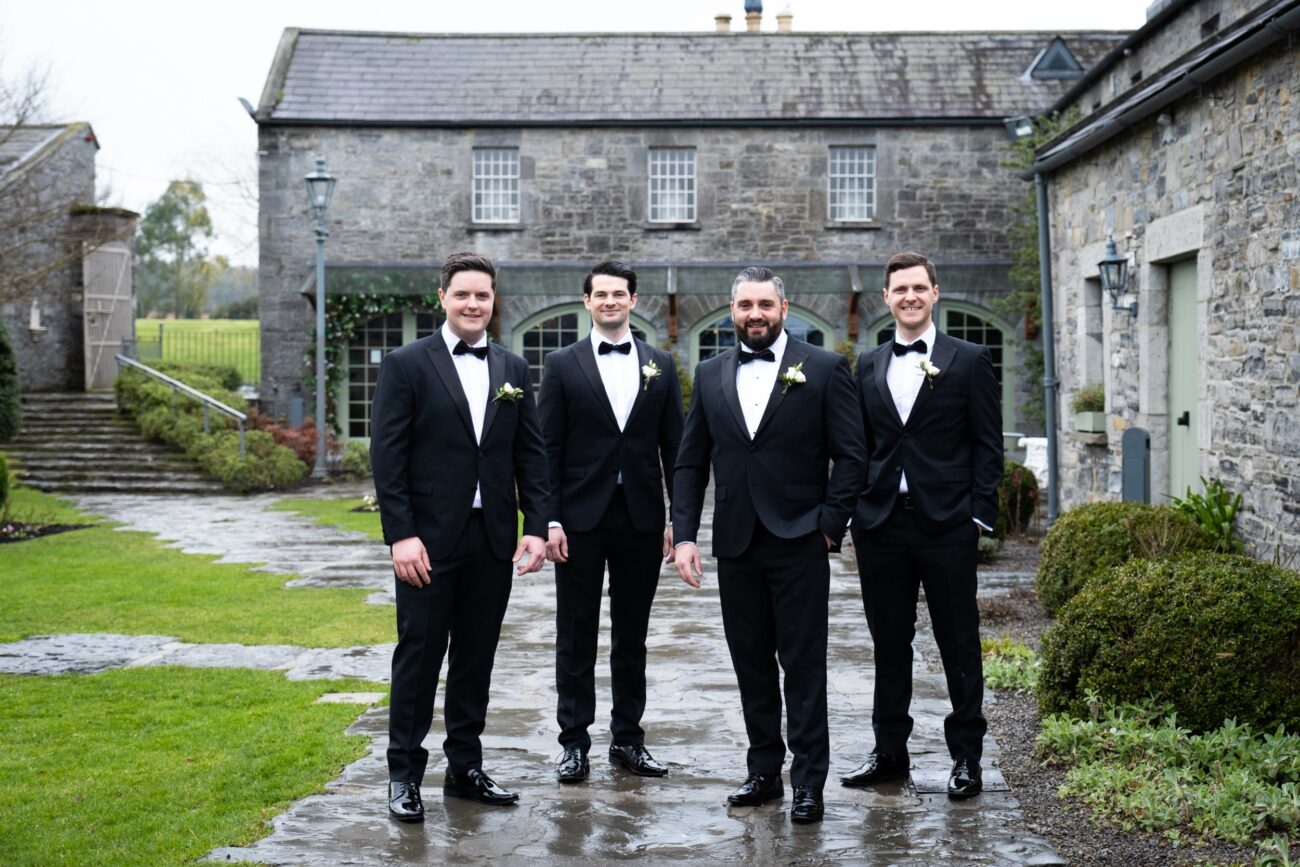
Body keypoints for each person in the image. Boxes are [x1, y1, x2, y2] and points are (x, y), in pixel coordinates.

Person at [671, 266, 866, 825]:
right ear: (732, 310)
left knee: (803, 664)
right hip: (735, 542)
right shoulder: (709, 374)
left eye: (764, 304)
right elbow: (690, 462)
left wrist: (830, 524)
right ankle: (763, 773)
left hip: (801, 538)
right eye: (744, 305)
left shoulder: (825, 368)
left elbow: (852, 456)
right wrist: (684, 534)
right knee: (750, 663)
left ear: (784, 306)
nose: (754, 314)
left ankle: (808, 782)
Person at [370, 251, 549, 821]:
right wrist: (401, 535)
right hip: (427, 542)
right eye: (464, 294)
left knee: (476, 658)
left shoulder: (514, 371)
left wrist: (538, 528)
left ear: (494, 303)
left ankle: (465, 770)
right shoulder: (407, 364)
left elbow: (531, 455)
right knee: (419, 657)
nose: (474, 304)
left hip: (492, 538)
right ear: (442, 297)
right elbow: (388, 456)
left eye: (484, 296)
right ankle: (404, 776)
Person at [840, 251, 1003, 800]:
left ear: (935, 292)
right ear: (885, 299)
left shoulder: (970, 359)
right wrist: (854, 511)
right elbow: (856, 447)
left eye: (918, 287)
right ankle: (890, 754)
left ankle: (966, 758)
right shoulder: (866, 365)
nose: (908, 296)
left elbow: (987, 443)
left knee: (958, 641)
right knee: (889, 642)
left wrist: (978, 515)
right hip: (881, 524)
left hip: (947, 524)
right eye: (898, 289)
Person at [538, 260, 684, 784]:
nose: (609, 301)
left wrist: (679, 521)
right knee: (575, 634)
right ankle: (573, 742)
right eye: (600, 294)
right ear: (587, 301)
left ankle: (628, 739)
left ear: (634, 300)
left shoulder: (660, 365)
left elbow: (677, 450)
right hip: (578, 520)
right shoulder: (561, 364)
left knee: (632, 634)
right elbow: (546, 449)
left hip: (642, 518)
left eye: (618, 293)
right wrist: (549, 519)